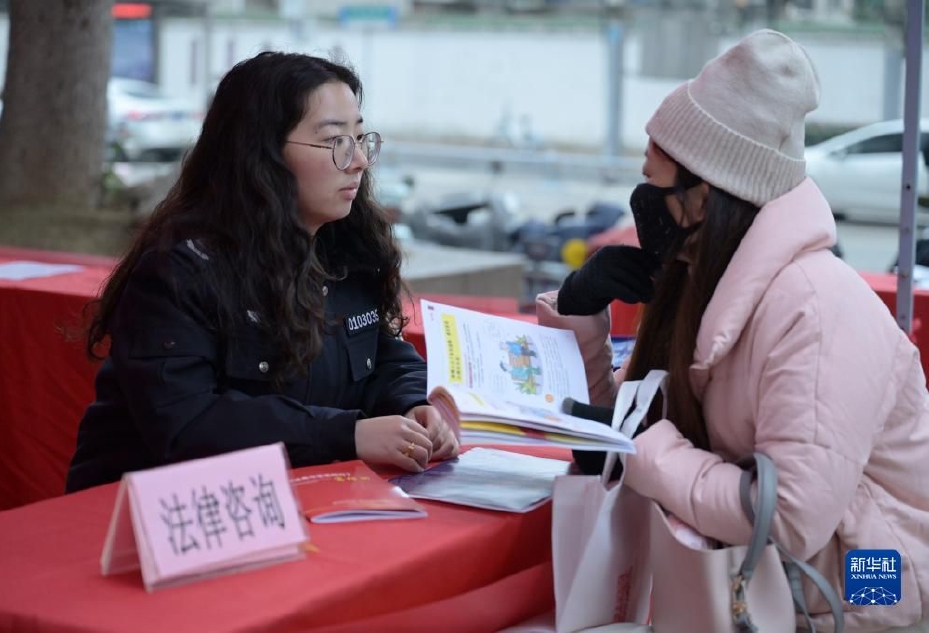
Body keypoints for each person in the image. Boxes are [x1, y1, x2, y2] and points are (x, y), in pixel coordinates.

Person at [541, 30, 929, 631]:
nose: (641, 202)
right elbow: (627, 432)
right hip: (755, 586)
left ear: (711, 194)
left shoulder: (818, 309)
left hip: (869, 586)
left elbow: (791, 515)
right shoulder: (707, 278)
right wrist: (579, 313)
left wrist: (645, 446)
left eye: (658, 187)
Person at [66, 52, 459, 493]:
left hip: (290, 498)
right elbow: (187, 423)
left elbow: (382, 354)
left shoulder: (346, 248)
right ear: (262, 153)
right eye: (335, 142)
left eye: (361, 139)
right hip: (151, 514)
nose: (359, 162)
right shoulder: (179, 270)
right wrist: (347, 433)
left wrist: (413, 407)